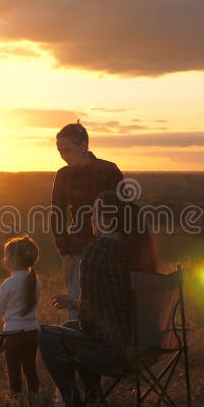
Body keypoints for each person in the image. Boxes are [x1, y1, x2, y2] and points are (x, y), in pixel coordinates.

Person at [39, 191, 139, 407]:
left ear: (108, 220)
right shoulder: (134, 250)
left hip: (113, 352)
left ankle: (74, 406)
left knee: (46, 336)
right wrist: (76, 304)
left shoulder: (96, 251)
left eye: (94, 213)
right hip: (143, 346)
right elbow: (116, 301)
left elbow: (88, 323)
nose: (91, 218)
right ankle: (94, 399)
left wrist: (79, 307)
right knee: (68, 329)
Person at [50, 122, 124, 321]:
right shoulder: (63, 175)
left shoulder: (108, 170)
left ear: (83, 145)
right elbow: (57, 214)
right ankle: (78, 349)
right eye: (60, 151)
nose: (64, 156)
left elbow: (124, 212)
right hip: (76, 252)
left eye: (68, 150)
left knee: (107, 306)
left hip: (108, 250)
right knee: (76, 311)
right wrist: (64, 254)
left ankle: (106, 349)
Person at [0, 235, 41, 400]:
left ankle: (16, 399)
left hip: (13, 334)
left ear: (13, 261)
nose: (4, 259)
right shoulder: (36, 282)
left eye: (6, 255)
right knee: (30, 368)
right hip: (32, 332)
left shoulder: (8, 284)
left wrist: (2, 305)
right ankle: (35, 397)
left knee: (14, 370)